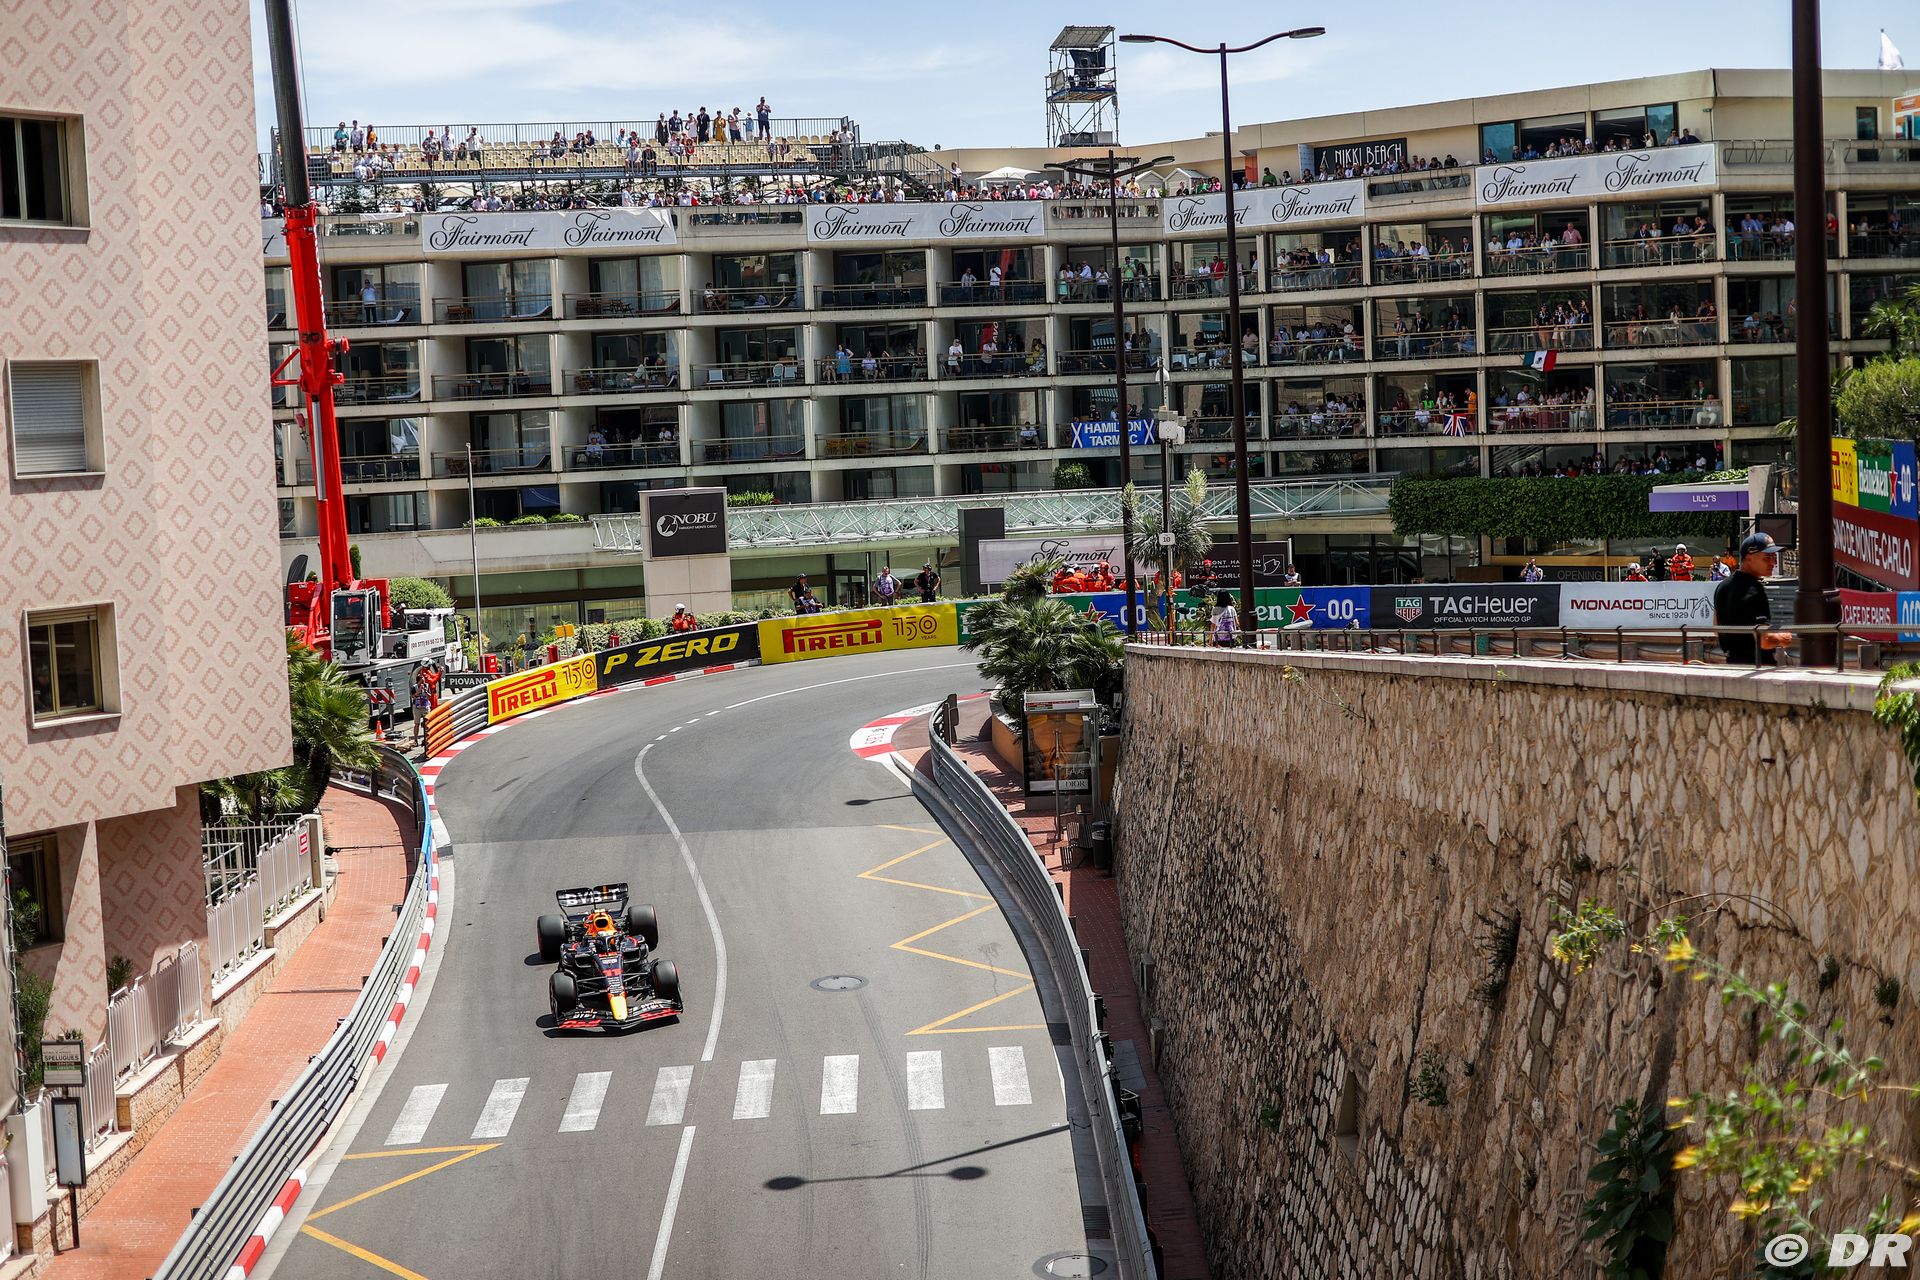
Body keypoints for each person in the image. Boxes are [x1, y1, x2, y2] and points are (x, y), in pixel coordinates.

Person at [1714, 531, 1792, 666]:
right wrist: (1782, 638)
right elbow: (1765, 640)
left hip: (1732, 665)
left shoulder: (1722, 586)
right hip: (1758, 667)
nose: (1773, 562)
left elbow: (1716, 629)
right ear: (1749, 558)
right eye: (1767, 558)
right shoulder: (1754, 590)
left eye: (1774, 557)